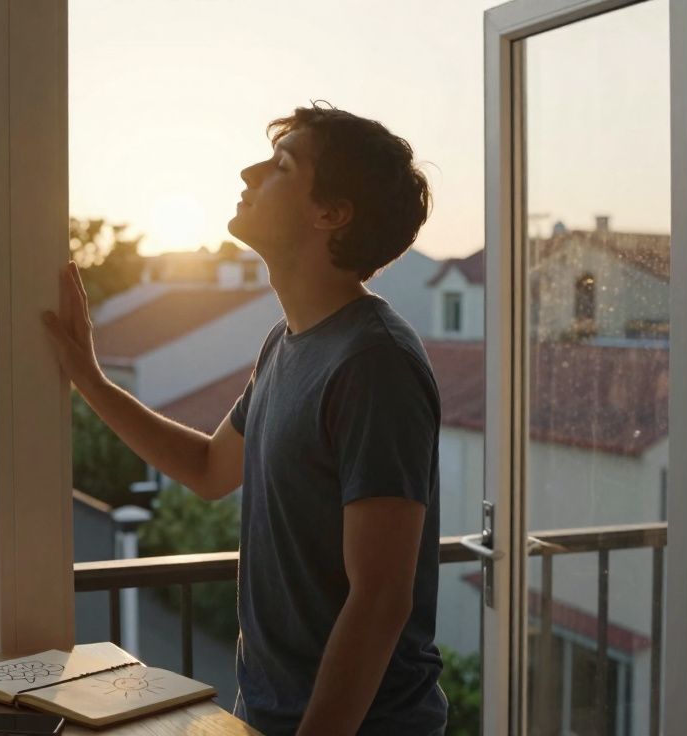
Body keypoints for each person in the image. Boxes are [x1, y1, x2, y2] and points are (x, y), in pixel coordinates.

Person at [41, 101, 446, 736]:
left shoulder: (376, 364)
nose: (249, 172)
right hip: (268, 712)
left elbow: (380, 598)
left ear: (331, 214)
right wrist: (89, 380)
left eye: (281, 165)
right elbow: (208, 468)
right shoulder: (287, 342)